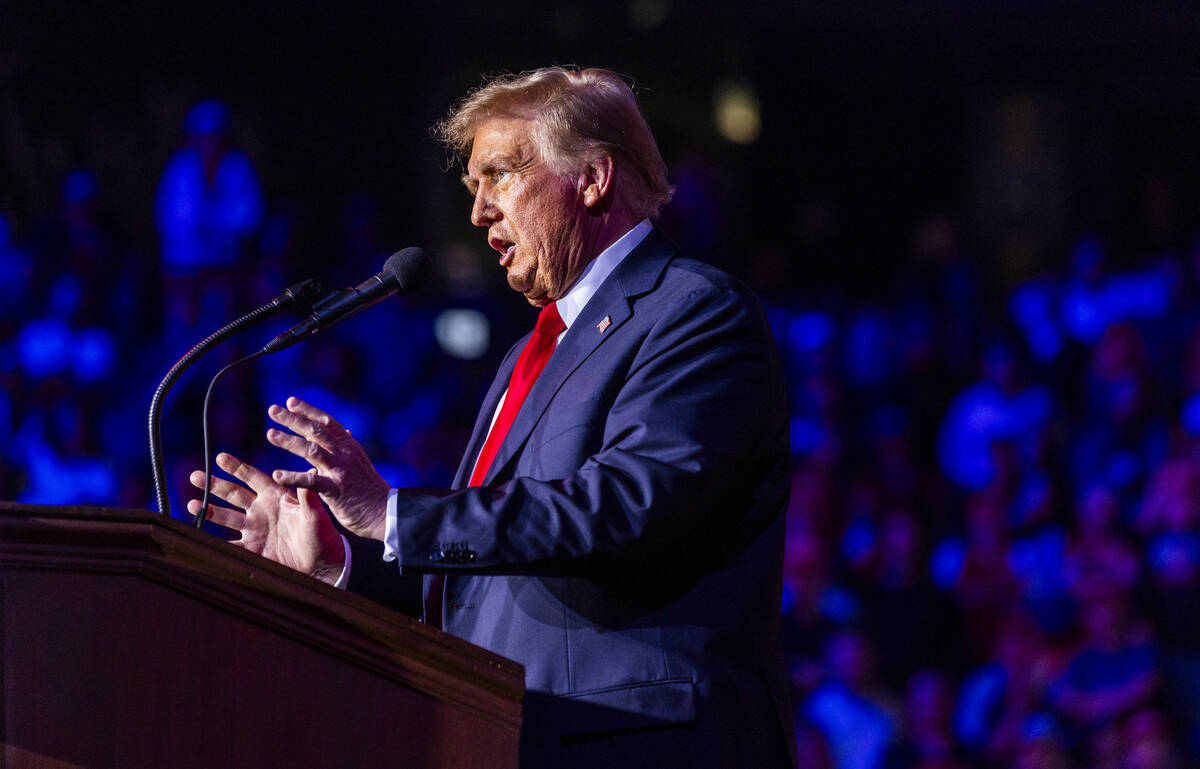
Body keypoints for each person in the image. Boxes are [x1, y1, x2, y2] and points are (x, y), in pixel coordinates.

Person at [189, 67, 794, 768]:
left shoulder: (693, 312)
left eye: (500, 174)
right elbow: (492, 580)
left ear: (593, 179)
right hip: (511, 738)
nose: (478, 212)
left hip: (640, 744)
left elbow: (624, 507)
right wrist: (342, 564)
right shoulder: (527, 355)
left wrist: (391, 515)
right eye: (472, 186)